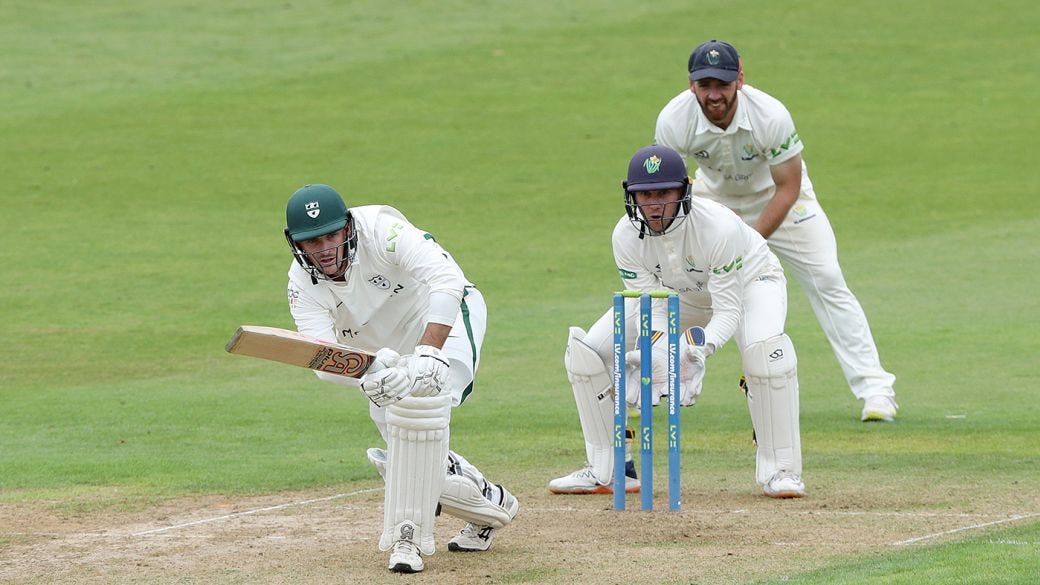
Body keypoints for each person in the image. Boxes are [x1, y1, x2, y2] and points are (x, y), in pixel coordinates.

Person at [654, 40, 898, 422]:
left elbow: (788, 186)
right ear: (691, 85)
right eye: (705, 86)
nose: (714, 95)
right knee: (684, 289)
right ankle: (649, 381)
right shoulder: (674, 119)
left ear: (740, 79)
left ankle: (876, 390)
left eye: (722, 84)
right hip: (714, 202)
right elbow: (672, 185)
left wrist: (747, 242)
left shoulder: (770, 114)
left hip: (782, 200)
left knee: (827, 278)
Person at [282, 184, 518, 574]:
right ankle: (491, 503)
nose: (323, 248)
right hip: (379, 354)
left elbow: (446, 277)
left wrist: (429, 350)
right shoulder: (301, 284)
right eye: (311, 242)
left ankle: (408, 540)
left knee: (427, 400)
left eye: (331, 235)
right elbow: (322, 358)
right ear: (296, 244)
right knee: (411, 450)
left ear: (348, 228)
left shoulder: (382, 230)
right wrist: (367, 376)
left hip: (444, 319)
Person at [549, 145, 805, 498]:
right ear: (631, 195)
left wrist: (695, 350)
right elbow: (652, 306)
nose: (654, 204)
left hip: (750, 285)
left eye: (664, 193)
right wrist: (660, 353)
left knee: (765, 354)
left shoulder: (719, 227)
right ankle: (611, 470)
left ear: (685, 189)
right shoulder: (624, 236)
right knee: (589, 353)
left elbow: (728, 310)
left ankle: (781, 471)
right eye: (645, 195)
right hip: (678, 295)